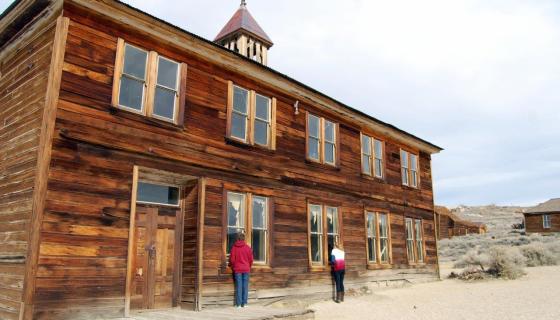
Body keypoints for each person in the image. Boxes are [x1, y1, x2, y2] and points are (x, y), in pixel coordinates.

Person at [229, 233, 253, 308]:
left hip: (237, 270)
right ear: (243, 239)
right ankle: (245, 303)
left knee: (239, 286)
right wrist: (248, 266)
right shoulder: (248, 248)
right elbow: (251, 259)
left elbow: (232, 260)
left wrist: (233, 267)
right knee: (245, 286)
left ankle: (238, 304)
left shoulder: (234, 248)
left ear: (237, 239)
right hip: (246, 269)